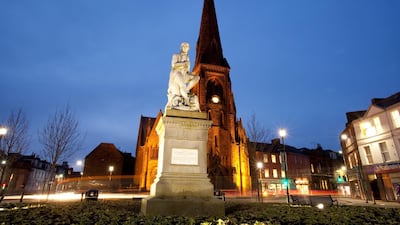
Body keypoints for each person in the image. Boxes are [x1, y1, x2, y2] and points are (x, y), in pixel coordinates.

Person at [166, 42, 200, 111]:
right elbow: (174, 65)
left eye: (187, 47)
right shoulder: (176, 55)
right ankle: (186, 98)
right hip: (177, 73)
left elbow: (187, 71)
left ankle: (186, 90)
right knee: (182, 84)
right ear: (181, 48)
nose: (186, 48)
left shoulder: (187, 58)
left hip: (184, 75)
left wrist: (192, 74)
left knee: (197, 77)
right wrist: (184, 63)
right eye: (184, 47)